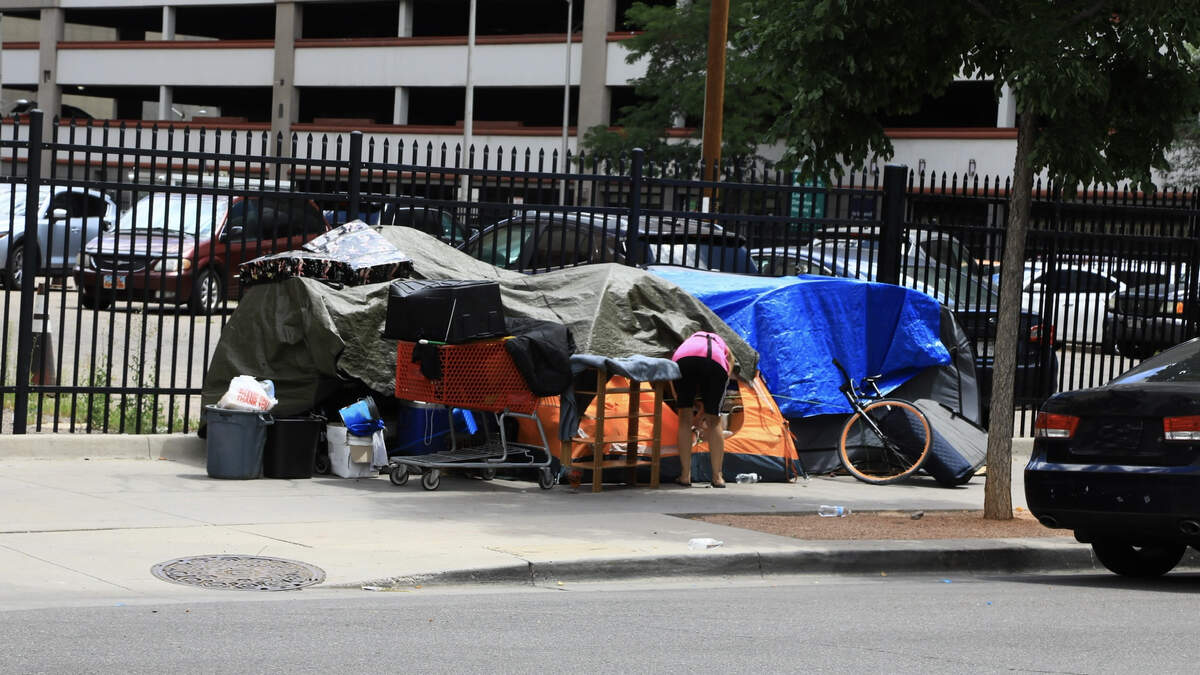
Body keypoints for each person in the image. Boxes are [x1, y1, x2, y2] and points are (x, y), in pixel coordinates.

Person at [670, 331, 734, 488]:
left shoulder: (687, 343)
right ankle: (717, 477)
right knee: (714, 421)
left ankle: (685, 475)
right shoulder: (720, 342)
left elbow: (672, 373)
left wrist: (680, 401)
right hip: (715, 362)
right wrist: (723, 382)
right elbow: (730, 360)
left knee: (684, 419)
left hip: (684, 361)